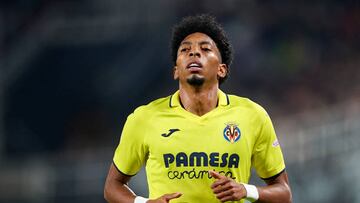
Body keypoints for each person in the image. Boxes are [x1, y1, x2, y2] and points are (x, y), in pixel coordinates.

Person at [104, 14, 292, 203]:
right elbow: (112, 187)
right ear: (176, 70)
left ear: (222, 69)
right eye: (185, 50)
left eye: (205, 49)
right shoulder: (144, 118)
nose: (194, 53)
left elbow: (284, 193)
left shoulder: (252, 115)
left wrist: (247, 190)